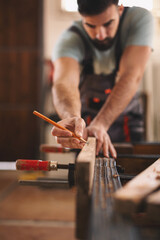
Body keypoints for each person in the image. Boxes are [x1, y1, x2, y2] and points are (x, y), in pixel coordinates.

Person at [51, 0, 154, 158]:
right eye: (91, 26)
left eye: (108, 24)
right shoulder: (70, 38)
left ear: (120, 9)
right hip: (87, 123)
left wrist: (101, 123)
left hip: (127, 119)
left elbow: (132, 76)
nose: (100, 34)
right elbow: (64, 83)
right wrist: (71, 117)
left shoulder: (139, 20)